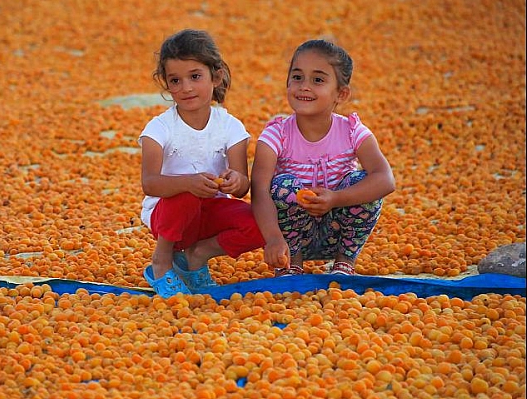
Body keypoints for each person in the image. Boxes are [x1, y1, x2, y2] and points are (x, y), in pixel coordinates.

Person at [251, 39, 395, 277]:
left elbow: (386, 180)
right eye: (297, 77)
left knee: (363, 181)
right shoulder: (276, 134)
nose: (304, 87)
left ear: (341, 93)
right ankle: (292, 264)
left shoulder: (352, 131)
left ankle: (343, 263)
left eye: (318, 80)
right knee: (281, 185)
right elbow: (259, 190)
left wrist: (336, 198)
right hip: (292, 237)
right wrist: (274, 239)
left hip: (338, 233)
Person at [138, 29, 265, 297]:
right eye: (175, 80)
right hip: (169, 217)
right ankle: (161, 262)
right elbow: (149, 184)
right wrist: (189, 183)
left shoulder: (230, 126)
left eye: (195, 77)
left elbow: (241, 188)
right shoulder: (159, 128)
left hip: (210, 210)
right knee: (187, 195)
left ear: (216, 76)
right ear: (166, 84)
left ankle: (196, 256)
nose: (185, 88)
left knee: (265, 222)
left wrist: (235, 179)